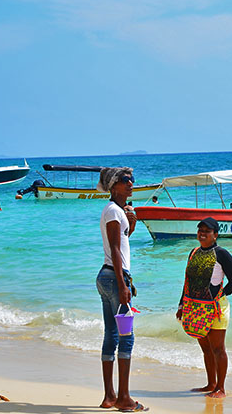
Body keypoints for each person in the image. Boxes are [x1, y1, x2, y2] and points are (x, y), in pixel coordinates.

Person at [95, 167, 146, 412]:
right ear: (114, 186)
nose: (131, 183)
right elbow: (115, 249)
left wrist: (131, 222)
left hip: (106, 277)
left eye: (132, 180)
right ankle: (124, 398)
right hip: (115, 278)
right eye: (126, 180)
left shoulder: (116, 211)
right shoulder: (114, 210)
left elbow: (122, 242)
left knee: (111, 337)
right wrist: (123, 284)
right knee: (126, 339)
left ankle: (109, 396)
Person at [176, 217, 232, 398]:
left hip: (215, 309)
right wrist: (182, 304)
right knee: (205, 348)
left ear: (215, 235)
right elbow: (188, 281)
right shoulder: (193, 252)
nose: (202, 234)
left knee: (218, 348)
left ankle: (221, 388)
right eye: (200, 230)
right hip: (195, 307)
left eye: (207, 231)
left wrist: (220, 297)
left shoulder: (222, 254)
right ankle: (210, 383)